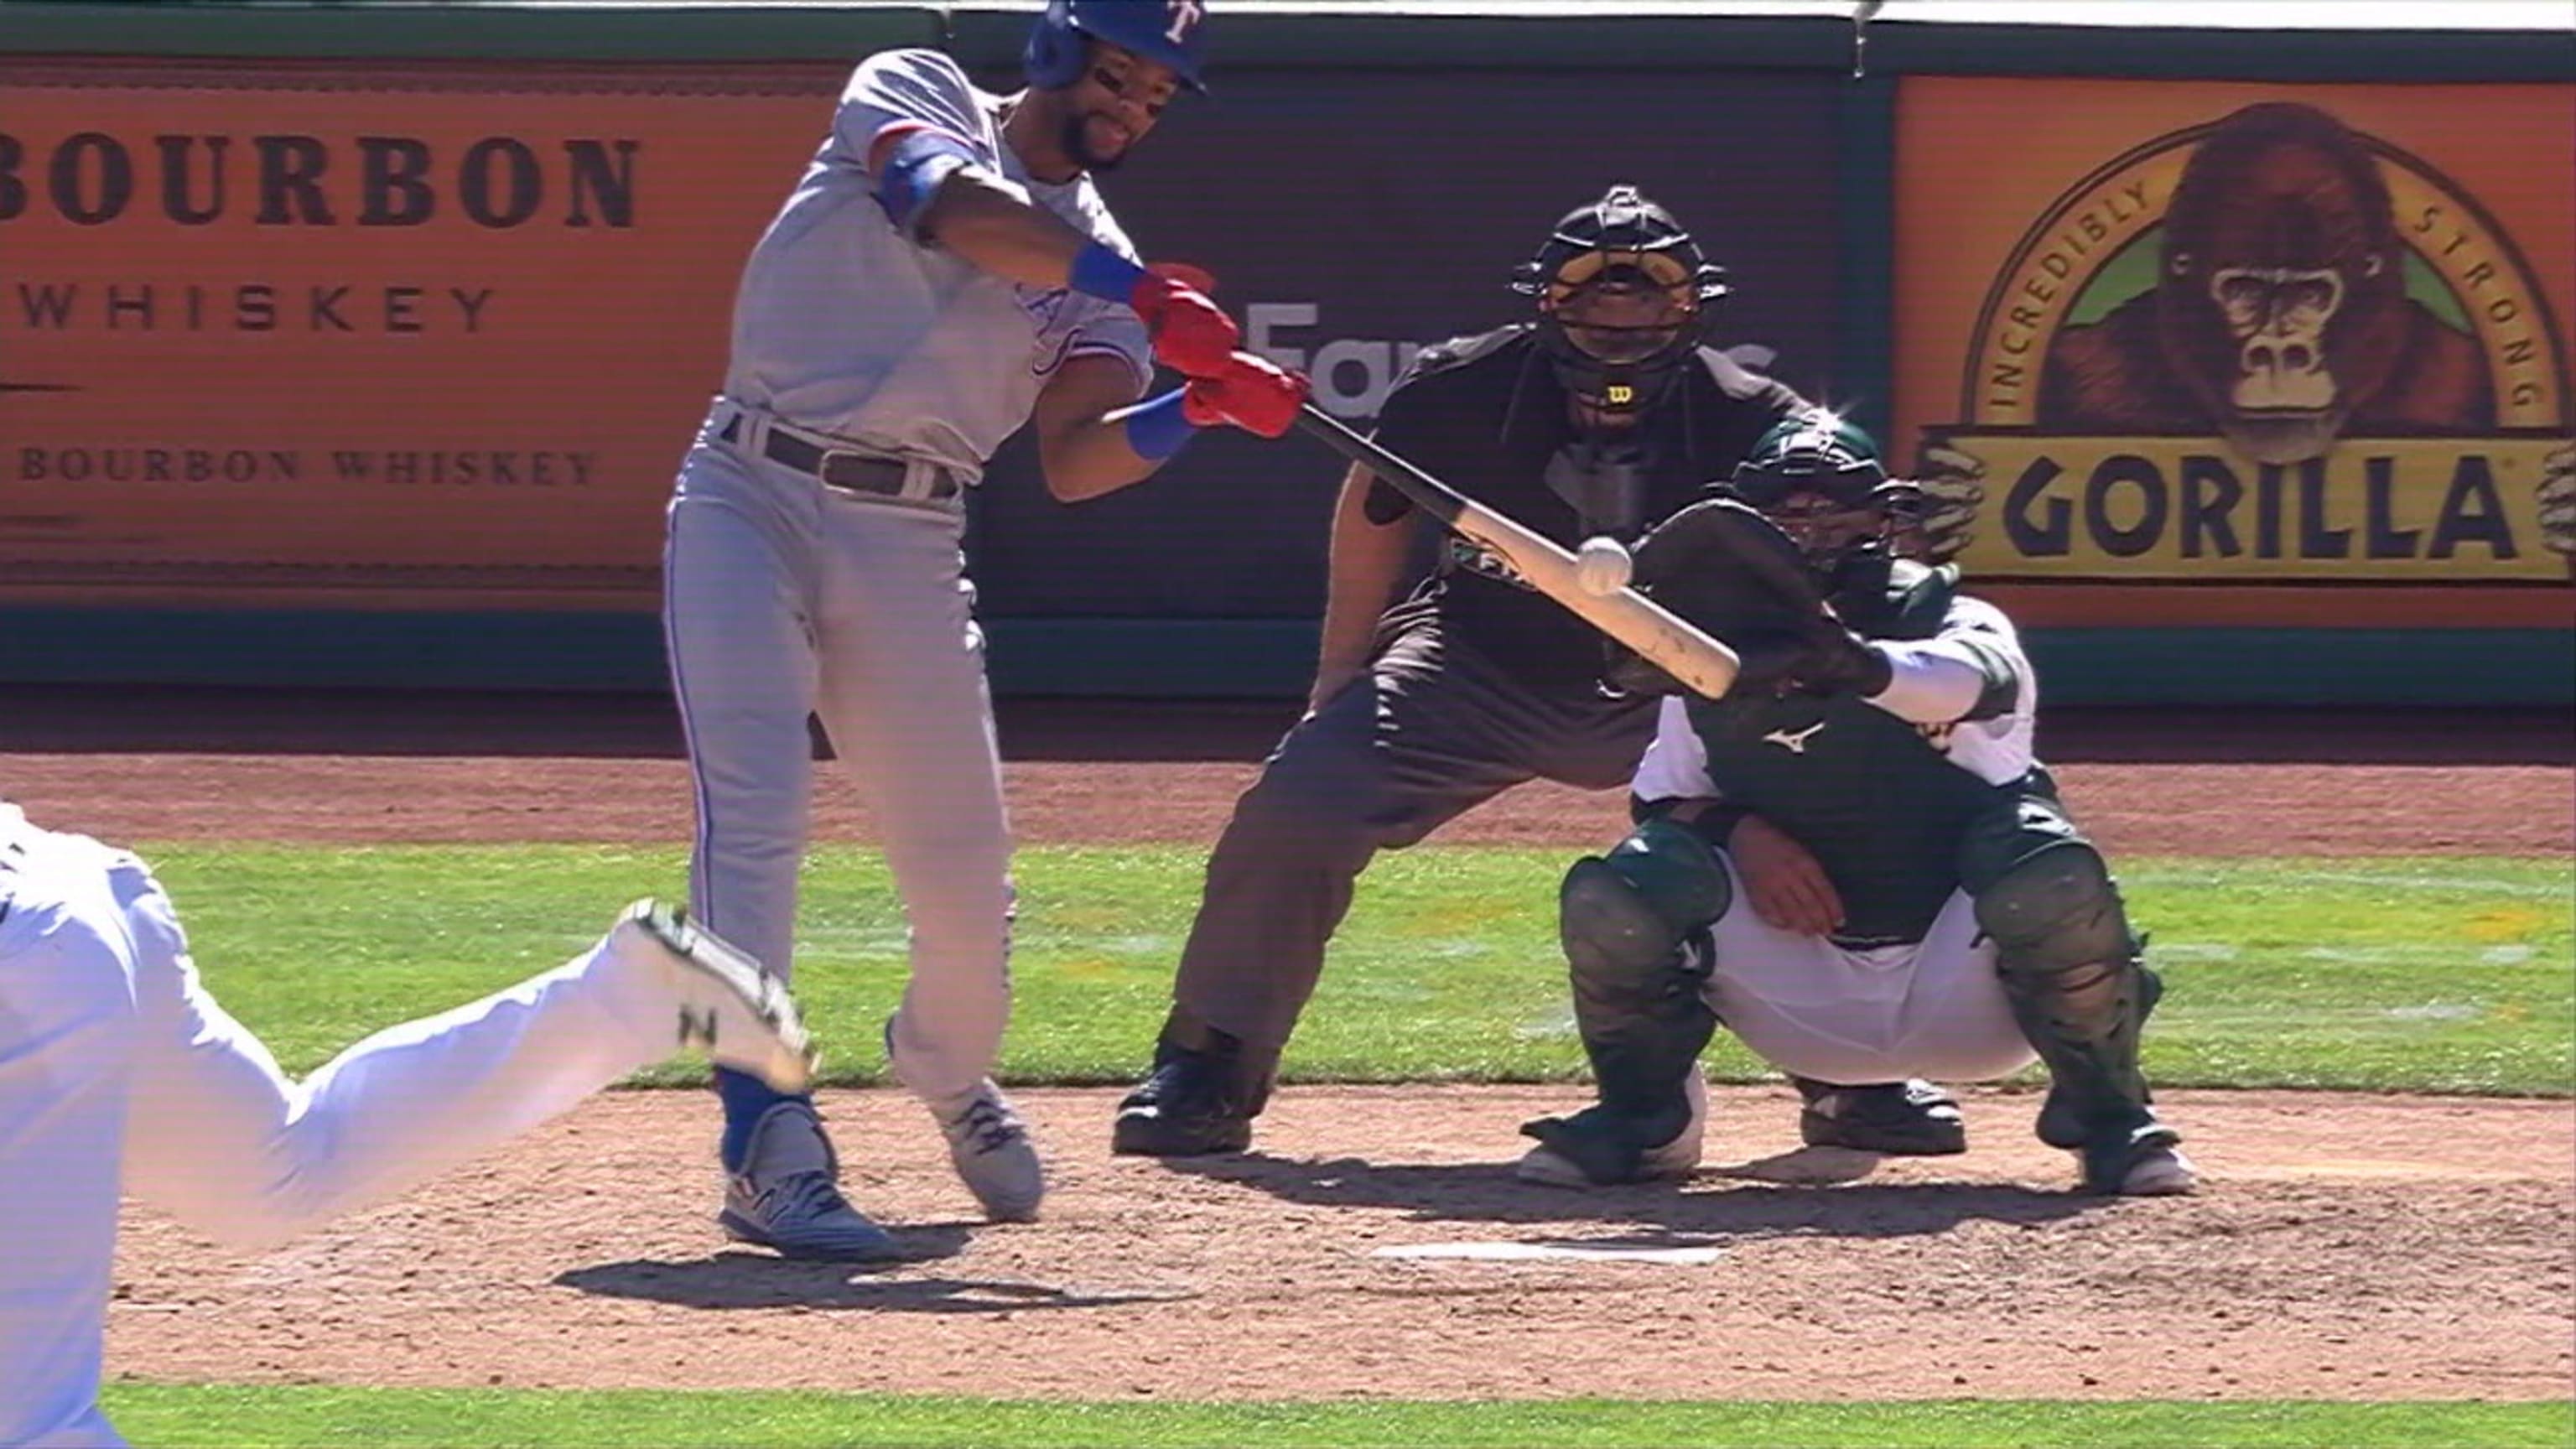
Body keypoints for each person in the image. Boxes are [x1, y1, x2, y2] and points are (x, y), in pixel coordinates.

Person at [1109, 183, 1965, 1161]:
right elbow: (1377, 507)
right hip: (1478, 658)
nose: (1620, 316)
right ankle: (1210, 1059)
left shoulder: (1754, 419)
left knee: (1823, 817)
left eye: (1646, 296)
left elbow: (1820, 578)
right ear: (1547, 302)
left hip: (1680, 684)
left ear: (1691, 307)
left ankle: (1854, 1071)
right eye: (1597, 296)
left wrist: (1777, 762)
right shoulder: (1456, 389)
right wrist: (1340, 672)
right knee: (1299, 801)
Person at [661, 0, 1306, 1259]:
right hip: (747, 490)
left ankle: (947, 1069)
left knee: (965, 879)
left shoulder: (1103, 260)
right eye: (1121, 73)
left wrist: (1197, 411)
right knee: (755, 818)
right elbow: (945, 205)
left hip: (908, 533)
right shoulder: (920, 87)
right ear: (1058, 52)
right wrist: (1134, 288)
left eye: (1159, 94)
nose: (1131, 106)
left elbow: (1076, 459)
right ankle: (762, 1136)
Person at [1510, 414, 2198, 1197]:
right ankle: (1643, 1120)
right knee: (1626, 887)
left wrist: (1851, 664)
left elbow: (1970, 679)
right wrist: (1742, 831)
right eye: (1786, 518)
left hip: (1970, 996)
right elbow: (1665, 798)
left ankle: (2111, 1121)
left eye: (1836, 513)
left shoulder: (1952, 619)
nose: (1811, 535)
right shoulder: (1709, 656)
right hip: (1798, 990)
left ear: (1884, 522)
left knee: (2043, 863)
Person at [0, 799, 816, 1448]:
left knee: (23, 1424)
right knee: (278, 1174)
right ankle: (629, 998)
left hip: (25, 974)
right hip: (72, 895)